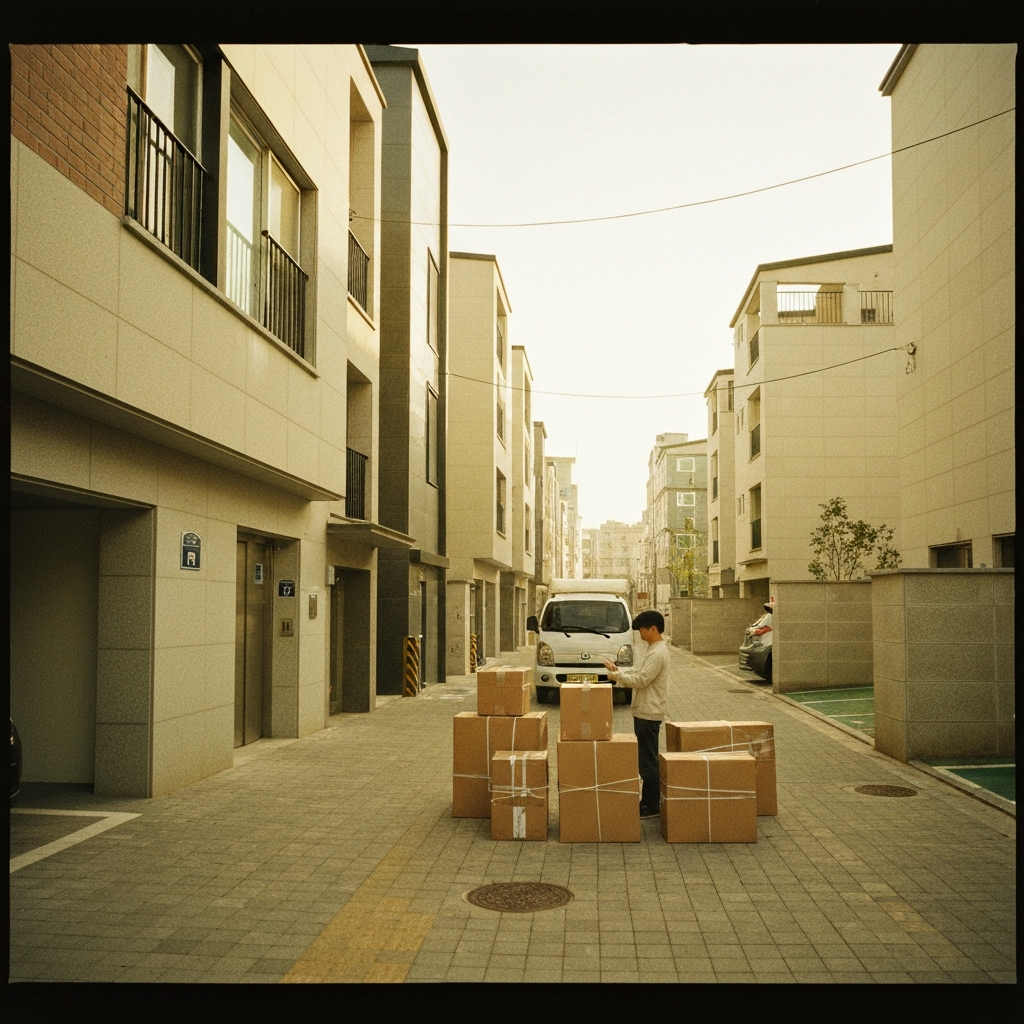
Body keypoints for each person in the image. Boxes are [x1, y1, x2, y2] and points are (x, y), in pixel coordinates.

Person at [602, 610, 669, 819]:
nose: (640, 633)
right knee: (646, 759)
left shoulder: (658, 653)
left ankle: (651, 805)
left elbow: (642, 680)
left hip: (649, 712)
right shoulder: (653, 649)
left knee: (648, 761)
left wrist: (617, 676)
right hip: (645, 710)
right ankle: (648, 802)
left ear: (653, 629)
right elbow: (639, 673)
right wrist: (618, 672)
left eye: (642, 629)